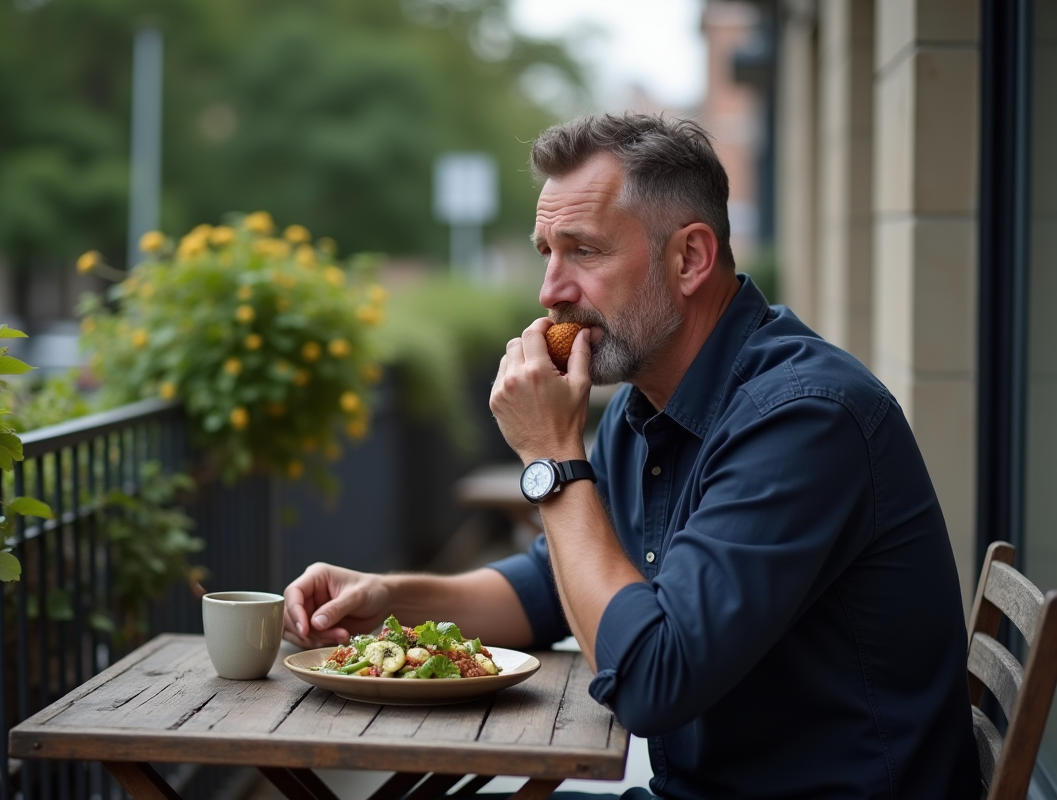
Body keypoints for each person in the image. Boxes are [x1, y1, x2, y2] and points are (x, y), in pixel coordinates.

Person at [283, 113, 980, 800]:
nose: (550, 291)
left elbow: (650, 682)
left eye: (583, 251)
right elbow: (547, 587)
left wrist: (555, 459)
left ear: (690, 258)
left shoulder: (804, 419)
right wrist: (389, 601)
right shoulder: (644, 406)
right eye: (545, 252)